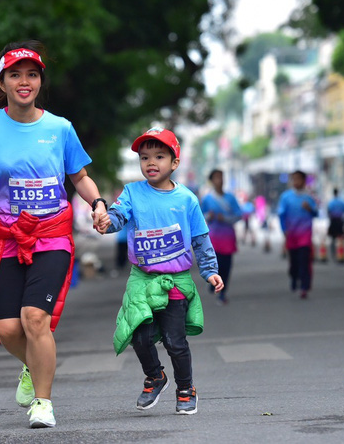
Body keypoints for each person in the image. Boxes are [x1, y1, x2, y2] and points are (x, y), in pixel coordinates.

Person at [0, 40, 107, 429]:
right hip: (5, 236)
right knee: (5, 329)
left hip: (51, 234)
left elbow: (79, 177)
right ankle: (32, 366)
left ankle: (43, 402)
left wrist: (98, 203)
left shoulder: (59, 128)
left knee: (35, 318)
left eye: (31, 75)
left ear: (39, 82)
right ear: (2, 83)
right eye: (15, 75)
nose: (24, 81)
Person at [95, 127, 224, 415]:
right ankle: (155, 376)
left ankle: (185, 388)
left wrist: (210, 270)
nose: (151, 162)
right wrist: (106, 221)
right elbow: (117, 216)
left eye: (159, 156)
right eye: (144, 157)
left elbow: (200, 239)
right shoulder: (132, 192)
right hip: (142, 280)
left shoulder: (187, 199)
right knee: (139, 336)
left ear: (174, 162)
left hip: (175, 281)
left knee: (174, 341)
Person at [201, 169, 241, 305]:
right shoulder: (207, 199)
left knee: (227, 266)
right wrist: (209, 217)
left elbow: (238, 215)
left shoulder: (230, 198)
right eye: (217, 178)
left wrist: (225, 218)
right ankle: (214, 283)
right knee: (215, 264)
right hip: (213, 238)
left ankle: (223, 291)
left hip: (228, 237)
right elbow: (201, 217)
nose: (220, 180)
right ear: (212, 181)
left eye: (221, 177)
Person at [277, 170, 318, 299]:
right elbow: (281, 215)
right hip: (292, 234)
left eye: (299, 179)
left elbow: (316, 213)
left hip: (305, 235)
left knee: (304, 260)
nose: (297, 182)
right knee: (294, 262)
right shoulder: (286, 197)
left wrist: (309, 209)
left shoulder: (309, 197)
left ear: (304, 181)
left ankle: (305, 286)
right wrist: (284, 230)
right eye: (294, 179)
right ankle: (294, 277)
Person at [326, 188, 344, 255]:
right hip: (340, 221)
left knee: (333, 238)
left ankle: (333, 253)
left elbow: (328, 210)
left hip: (333, 221)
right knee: (341, 237)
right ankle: (341, 252)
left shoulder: (331, 202)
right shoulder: (342, 202)